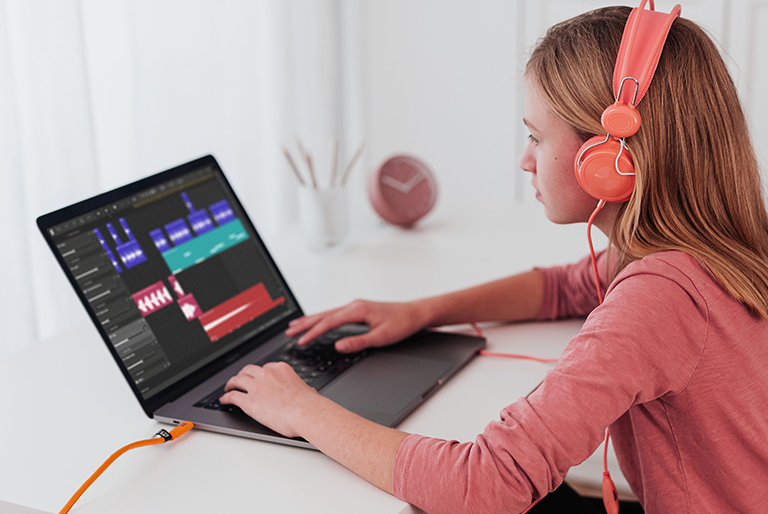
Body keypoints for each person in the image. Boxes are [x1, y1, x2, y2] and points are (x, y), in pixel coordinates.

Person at [219, 5, 768, 513]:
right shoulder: (711, 247)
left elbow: (488, 484)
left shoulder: (661, 297)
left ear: (611, 158)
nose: (525, 160)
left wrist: (301, 410)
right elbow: (564, 288)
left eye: (536, 137)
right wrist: (421, 311)